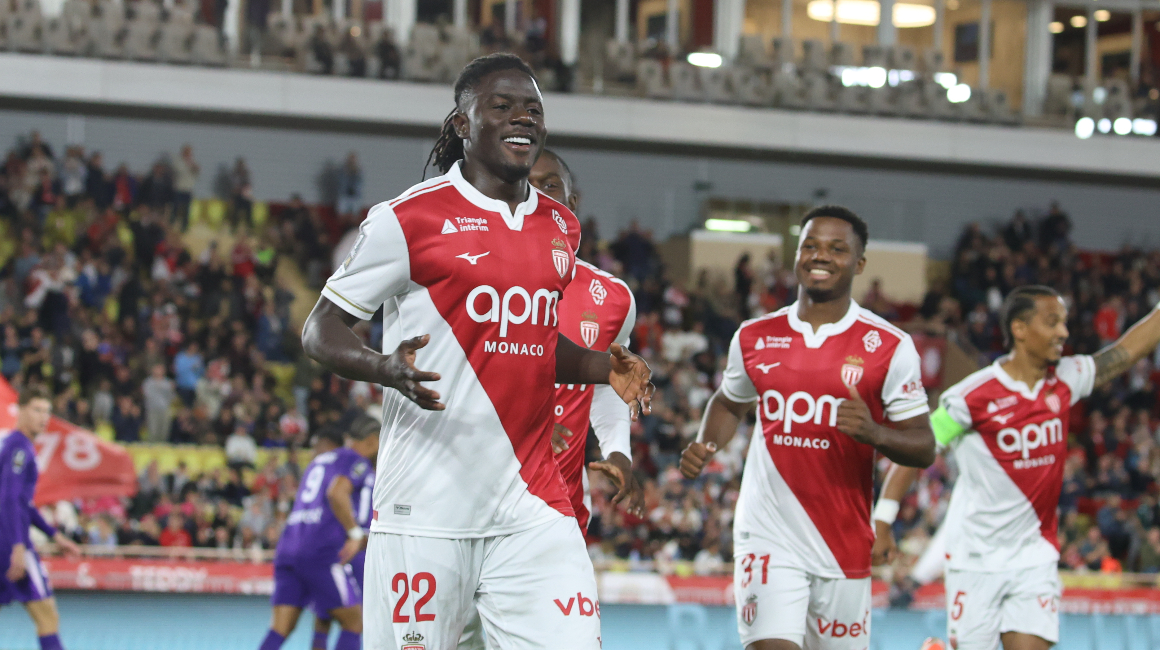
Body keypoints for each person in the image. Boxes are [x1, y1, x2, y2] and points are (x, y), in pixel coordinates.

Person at [299, 53, 653, 650]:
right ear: (462, 123)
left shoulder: (560, 228)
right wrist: (384, 368)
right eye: (502, 106)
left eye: (533, 109)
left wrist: (600, 365)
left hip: (532, 506)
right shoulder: (407, 220)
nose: (523, 118)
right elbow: (320, 330)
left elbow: (530, 342)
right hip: (426, 511)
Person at [680, 206, 935, 650]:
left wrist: (875, 433)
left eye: (837, 248)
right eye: (811, 245)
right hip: (767, 533)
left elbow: (924, 446)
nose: (821, 256)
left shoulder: (890, 346)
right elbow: (729, 401)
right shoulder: (755, 336)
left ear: (858, 264)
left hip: (843, 539)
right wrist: (707, 442)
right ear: (796, 256)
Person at [876, 285, 1160, 650]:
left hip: (1034, 557)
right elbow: (916, 453)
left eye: (1064, 322)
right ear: (1020, 329)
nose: (1063, 332)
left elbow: (1126, 352)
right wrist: (882, 521)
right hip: (975, 559)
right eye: (1052, 322)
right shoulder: (970, 397)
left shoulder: (1067, 378)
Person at [529, 149, 644, 528]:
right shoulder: (468, 276)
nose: (540, 197)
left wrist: (618, 451)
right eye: (525, 186)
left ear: (571, 203)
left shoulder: (613, 298)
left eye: (550, 186)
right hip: (473, 503)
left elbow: (605, 382)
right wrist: (521, 425)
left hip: (559, 509)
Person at [258, 416, 380, 650]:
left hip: (289, 547)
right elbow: (337, 493)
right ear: (373, 441)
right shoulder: (357, 461)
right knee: (354, 622)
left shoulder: (318, 461)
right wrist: (354, 534)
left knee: (280, 628)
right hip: (322, 550)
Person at [0, 386, 82, 650]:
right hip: (12, 542)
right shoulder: (20, 449)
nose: (43, 417)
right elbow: (10, 500)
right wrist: (18, 546)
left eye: (47, 411)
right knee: (47, 614)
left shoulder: (12, 445)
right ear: (20, 410)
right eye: (36, 409)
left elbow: (23, 503)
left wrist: (55, 535)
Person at [311, 425, 375, 650]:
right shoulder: (360, 465)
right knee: (358, 619)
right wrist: (356, 533)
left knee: (325, 614)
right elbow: (337, 494)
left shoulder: (329, 465)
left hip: (338, 543)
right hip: (359, 546)